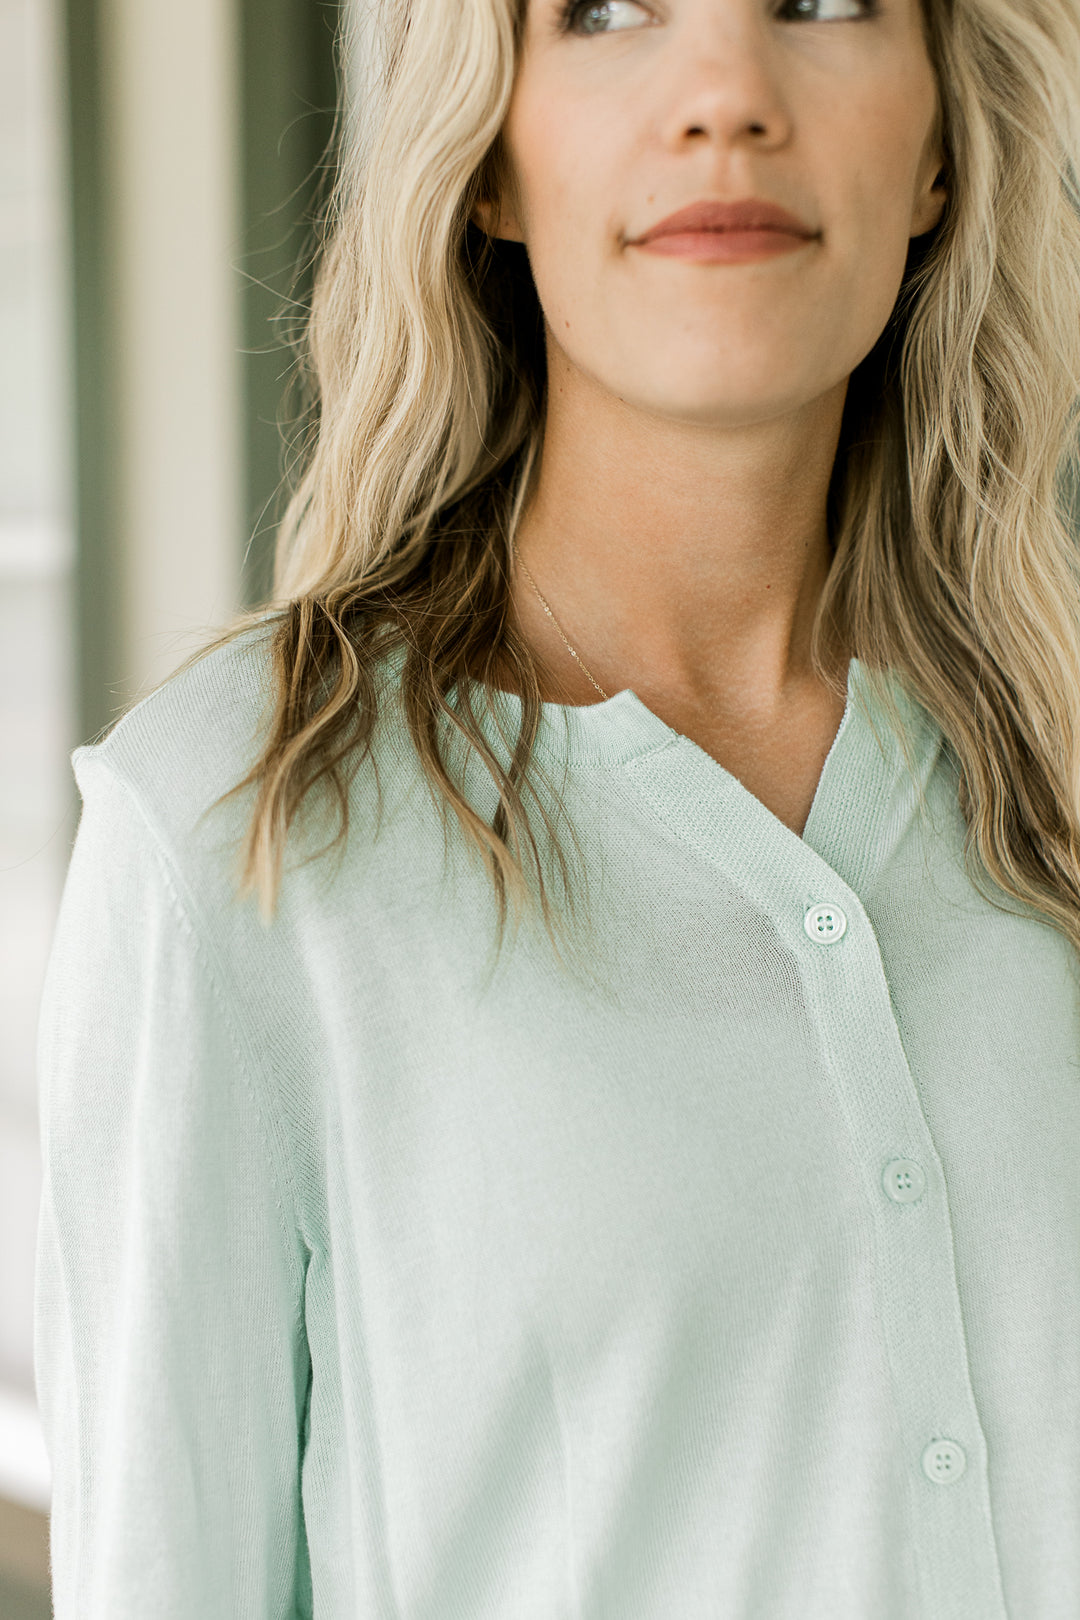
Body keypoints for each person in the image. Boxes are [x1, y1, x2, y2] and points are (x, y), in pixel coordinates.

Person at [33, 0, 1080, 1612]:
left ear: (941, 140)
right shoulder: (233, 832)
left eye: (823, 2)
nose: (726, 96)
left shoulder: (1050, 767)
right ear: (489, 161)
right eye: (602, 11)